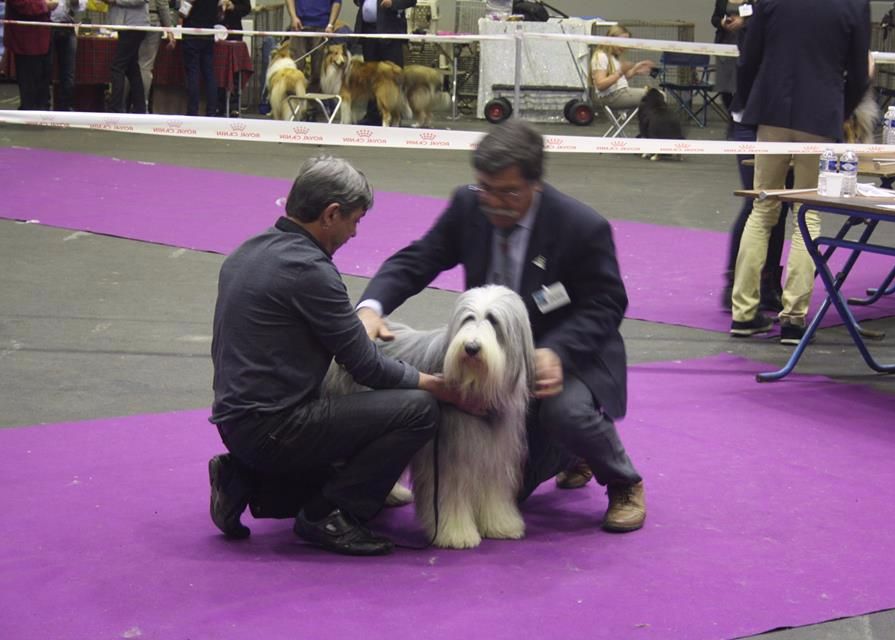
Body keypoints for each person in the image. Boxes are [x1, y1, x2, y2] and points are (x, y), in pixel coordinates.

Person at [357, 119, 647, 534]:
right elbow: (418, 259)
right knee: (506, 484)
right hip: (492, 349)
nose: (493, 202)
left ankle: (622, 480)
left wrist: (557, 352)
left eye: (508, 192)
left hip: (566, 351)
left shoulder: (581, 227)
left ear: (535, 184)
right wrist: (372, 307)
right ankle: (565, 453)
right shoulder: (469, 204)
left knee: (564, 413)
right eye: (486, 188)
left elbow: (606, 303)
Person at [208, 155, 471, 556]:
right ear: (331, 214)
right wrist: (435, 385)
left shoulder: (247, 251)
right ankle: (330, 514)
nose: (354, 233)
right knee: (418, 410)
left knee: (348, 423)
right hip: (275, 429)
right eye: (355, 220)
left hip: (235, 423)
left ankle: (243, 478)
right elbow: (366, 366)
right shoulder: (310, 271)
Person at [730, 0, 870, 344]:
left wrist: (749, 104)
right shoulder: (855, 5)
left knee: (762, 209)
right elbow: (859, 71)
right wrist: (841, 111)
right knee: (807, 215)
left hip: (771, 111)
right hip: (820, 116)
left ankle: (743, 313)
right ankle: (794, 319)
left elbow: (749, 57)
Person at [714, 0, 788, 313]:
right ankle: (736, 281)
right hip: (751, 118)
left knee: (780, 204)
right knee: (757, 202)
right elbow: (747, 67)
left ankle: (769, 283)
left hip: (782, 120)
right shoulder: (754, 16)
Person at [352, 0, 414, 125]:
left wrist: (393, 3)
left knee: (392, 76)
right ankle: (373, 115)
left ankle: (395, 116)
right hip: (368, 32)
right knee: (370, 77)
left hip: (390, 33)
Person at [590, 24, 656, 133]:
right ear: (611, 39)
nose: (624, 46)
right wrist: (620, 72)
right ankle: (651, 131)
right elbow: (600, 85)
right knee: (658, 96)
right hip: (613, 96)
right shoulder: (601, 56)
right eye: (622, 42)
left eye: (627, 43)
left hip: (619, 93)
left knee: (655, 96)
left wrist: (635, 70)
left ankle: (649, 130)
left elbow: (618, 80)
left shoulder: (613, 57)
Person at [5, 0, 56, 110]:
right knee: (29, 86)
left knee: (44, 82)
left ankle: (42, 109)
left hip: (44, 36)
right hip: (26, 41)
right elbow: (21, 4)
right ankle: (30, 111)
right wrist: (45, 5)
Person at [285, 0, 340, 93]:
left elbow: (337, 2)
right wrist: (293, 17)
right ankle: (294, 96)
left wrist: (330, 24)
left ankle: (315, 98)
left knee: (318, 69)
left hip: (322, 26)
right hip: (299, 26)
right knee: (296, 65)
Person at [105, 0, 149, 113]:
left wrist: (115, 1)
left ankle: (115, 108)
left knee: (117, 67)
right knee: (132, 68)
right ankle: (140, 108)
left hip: (134, 26)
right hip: (127, 25)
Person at [179, 0, 219, 116]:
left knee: (193, 73)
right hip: (208, 32)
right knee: (209, 73)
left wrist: (181, 14)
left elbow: (185, 10)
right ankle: (211, 111)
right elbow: (219, 13)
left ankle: (193, 111)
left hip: (192, 33)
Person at [137, 0, 175, 113]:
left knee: (129, 65)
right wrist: (169, 30)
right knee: (145, 66)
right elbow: (162, 4)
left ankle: (122, 104)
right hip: (151, 22)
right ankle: (142, 104)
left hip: (132, 21)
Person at [49, 0, 82, 111]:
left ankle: (67, 107)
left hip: (67, 25)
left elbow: (81, 6)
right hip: (47, 24)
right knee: (45, 69)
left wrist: (75, 2)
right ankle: (43, 106)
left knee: (68, 72)